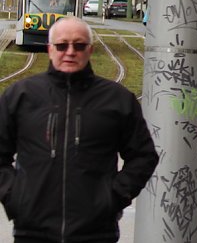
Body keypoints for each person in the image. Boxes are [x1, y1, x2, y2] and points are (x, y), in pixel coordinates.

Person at [0, 16, 158, 242]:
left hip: (96, 233)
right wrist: (15, 197)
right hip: (32, 232)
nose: (70, 52)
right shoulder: (20, 96)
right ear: (50, 49)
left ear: (90, 50)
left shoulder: (117, 100)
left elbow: (144, 156)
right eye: (62, 45)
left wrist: (112, 198)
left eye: (79, 45)